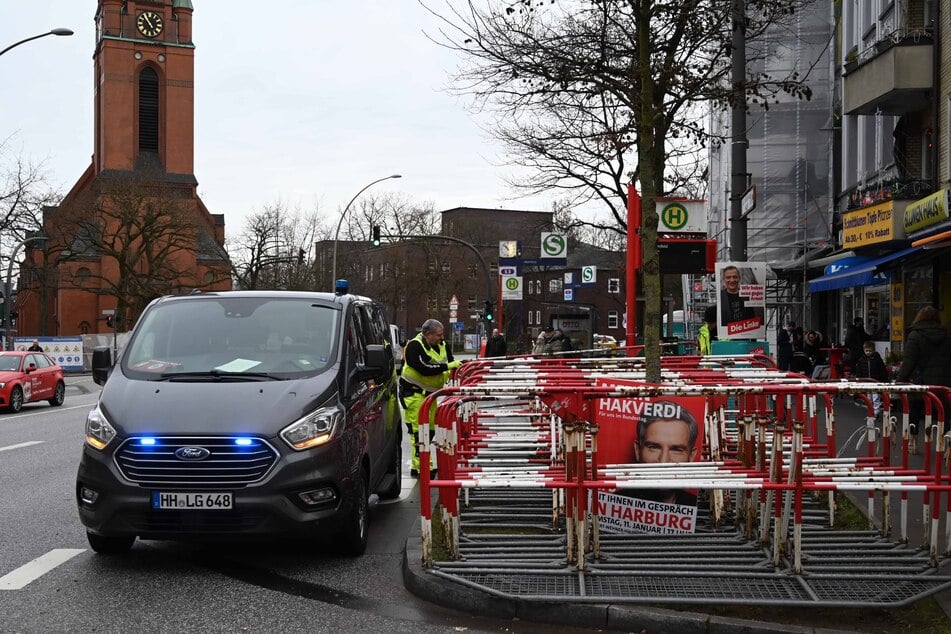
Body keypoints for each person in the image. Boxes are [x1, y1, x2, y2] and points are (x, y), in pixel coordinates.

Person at [399, 319, 461, 476]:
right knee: (419, 432)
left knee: (430, 431)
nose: (442, 338)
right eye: (438, 335)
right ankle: (424, 468)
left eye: (442, 334)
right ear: (427, 334)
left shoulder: (442, 345)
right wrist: (447, 367)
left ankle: (416, 465)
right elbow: (423, 368)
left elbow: (451, 361)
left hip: (431, 395)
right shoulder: (414, 346)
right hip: (414, 394)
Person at [623, 401, 701, 506]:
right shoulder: (613, 505)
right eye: (654, 447)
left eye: (676, 449)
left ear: (691, 456)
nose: (663, 461)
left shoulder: (697, 506)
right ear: (638, 450)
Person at [895, 307, 951, 446]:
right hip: (944, 382)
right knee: (944, 413)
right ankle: (946, 445)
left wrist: (898, 383)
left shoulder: (915, 335)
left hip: (921, 381)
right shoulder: (947, 334)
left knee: (914, 409)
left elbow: (909, 362)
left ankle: (913, 442)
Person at [853, 340, 887, 419]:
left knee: (876, 398)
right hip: (867, 382)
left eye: (870, 351)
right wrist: (859, 380)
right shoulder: (861, 360)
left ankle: (876, 412)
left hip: (875, 381)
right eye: (866, 351)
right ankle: (871, 412)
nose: (868, 352)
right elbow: (859, 371)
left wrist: (884, 380)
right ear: (864, 350)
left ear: (873, 350)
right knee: (869, 398)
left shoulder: (877, 359)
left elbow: (882, 370)